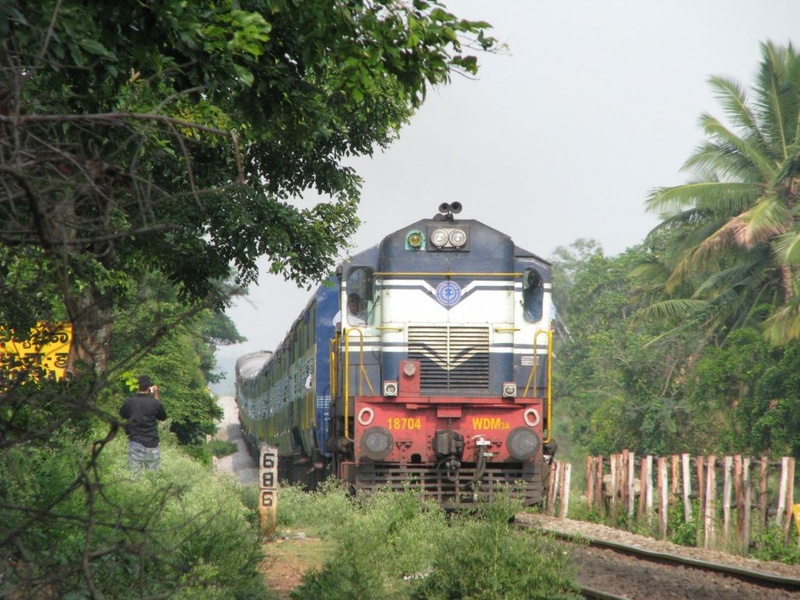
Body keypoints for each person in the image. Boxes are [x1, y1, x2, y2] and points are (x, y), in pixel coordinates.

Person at [119, 375, 167, 472]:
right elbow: (162, 417)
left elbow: (122, 415)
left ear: (137, 386)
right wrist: (156, 394)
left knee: (134, 475)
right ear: (149, 387)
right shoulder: (154, 403)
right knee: (153, 476)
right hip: (152, 442)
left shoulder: (129, 402)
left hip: (135, 441)